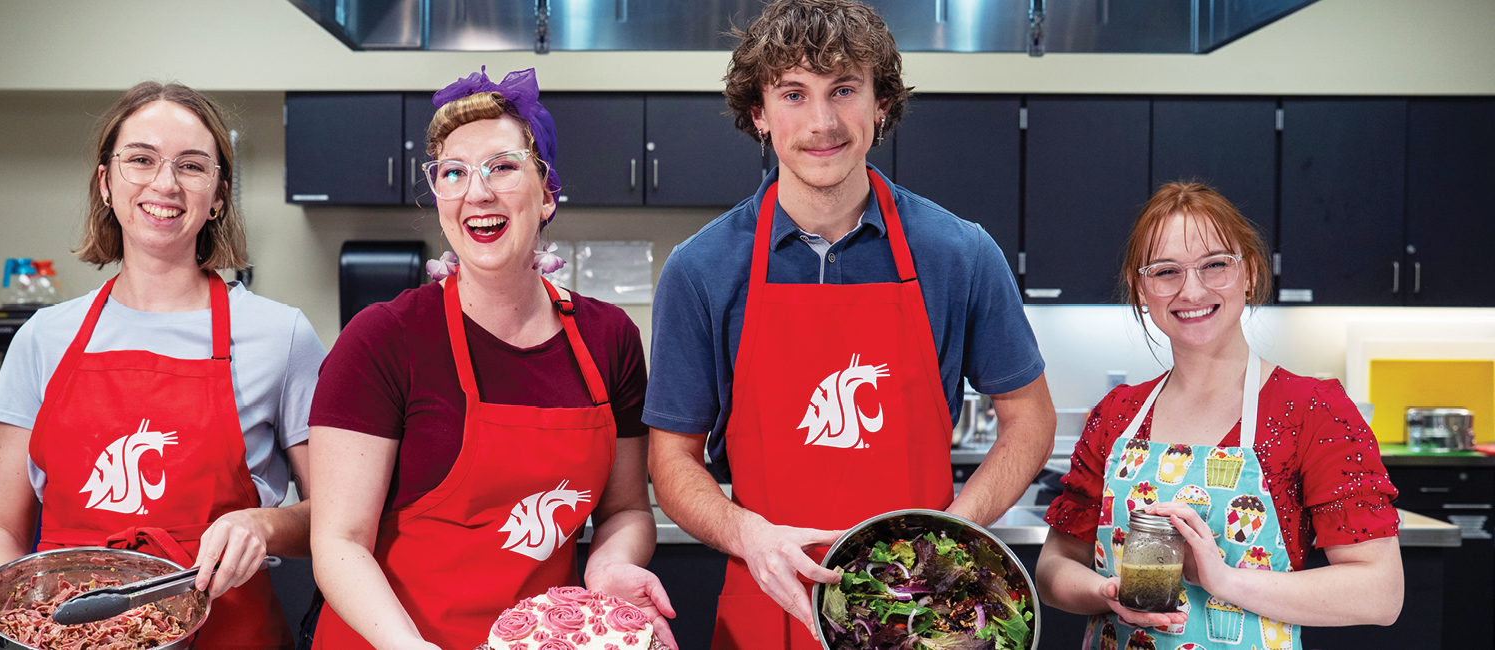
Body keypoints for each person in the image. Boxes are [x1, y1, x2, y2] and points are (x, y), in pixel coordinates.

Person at [645, 1, 1056, 648]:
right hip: (767, 604)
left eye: (844, 89)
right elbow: (671, 459)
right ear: (758, 113)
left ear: (881, 104)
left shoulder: (960, 253)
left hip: (926, 612)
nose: (822, 122)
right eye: (793, 94)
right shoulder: (701, 270)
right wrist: (747, 535)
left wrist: (949, 536)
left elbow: (1030, 419)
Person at [307, 68, 673, 650]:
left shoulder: (609, 338)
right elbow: (339, 540)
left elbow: (626, 510)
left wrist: (608, 568)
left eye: (502, 166)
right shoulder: (382, 339)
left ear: (547, 192)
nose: (477, 191)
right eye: (453, 173)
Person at [0, 81, 325, 650]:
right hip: (67, 638)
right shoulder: (43, 339)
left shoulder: (281, 336)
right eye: (141, 160)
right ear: (106, 184)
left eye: (191, 166)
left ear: (219, 195)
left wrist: (264, 525)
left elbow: (337, 518)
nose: (165, 183)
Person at [1036, 182, 1404, 649]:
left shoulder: (1311, 410)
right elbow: (1054, 567)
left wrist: (1223, 580)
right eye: (1165, 271)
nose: (1191, 290)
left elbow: (1380, 592)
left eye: (1214, 265)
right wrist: (1107, 593)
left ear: (1248, 272)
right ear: (1140, 287)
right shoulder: (1117, 415)